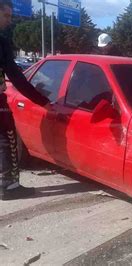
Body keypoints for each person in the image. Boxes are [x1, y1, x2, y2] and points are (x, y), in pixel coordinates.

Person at [0, 0, 50, 200]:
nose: (9, 21)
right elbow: (15, 75)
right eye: (6, 16)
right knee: (7, 139)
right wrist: (41, 100)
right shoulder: (1, 41)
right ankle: (9, 186)